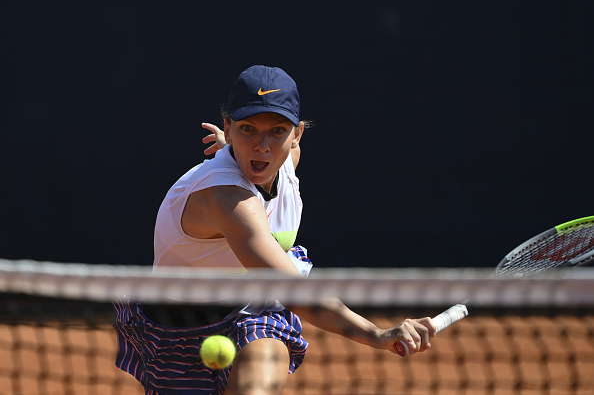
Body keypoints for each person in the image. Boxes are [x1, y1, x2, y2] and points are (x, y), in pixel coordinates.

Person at [113, 65, 436, 395]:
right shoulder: (227, 199)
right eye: (248, 128)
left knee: (260, 378)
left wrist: (236, 145)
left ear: (297, 134)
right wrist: (376, 334)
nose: (262, 146)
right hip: (174, 331)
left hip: (251, 309)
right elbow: (296, 292)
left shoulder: (286, 158)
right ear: (228, 125)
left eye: (277, 131)